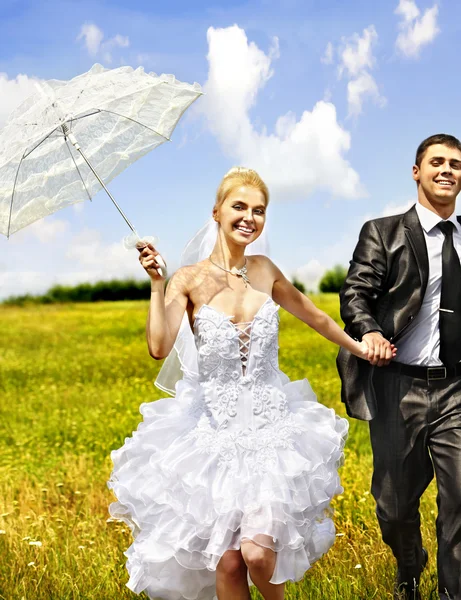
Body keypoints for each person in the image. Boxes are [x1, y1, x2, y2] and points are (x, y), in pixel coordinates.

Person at [108, 167, 373, 600]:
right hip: (213, 435)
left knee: (256, 554)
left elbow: (317, 317)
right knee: (229, 561)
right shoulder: (187, 281)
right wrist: (158, 284)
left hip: (272, 432)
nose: (249, 217)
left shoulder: (265, 270)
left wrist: (359, 348)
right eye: (239, 207)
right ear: (216, 212)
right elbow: (159, 346)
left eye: (259, 210)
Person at [337, 134, 461, 600]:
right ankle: (410, 565)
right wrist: (367, 330)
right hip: (398, 386)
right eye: (437, 162)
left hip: (457, 389)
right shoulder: (383, 231)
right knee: (393, 506)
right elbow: (355, 291)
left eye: (456, 164)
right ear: (417, 171)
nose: (447, 170)